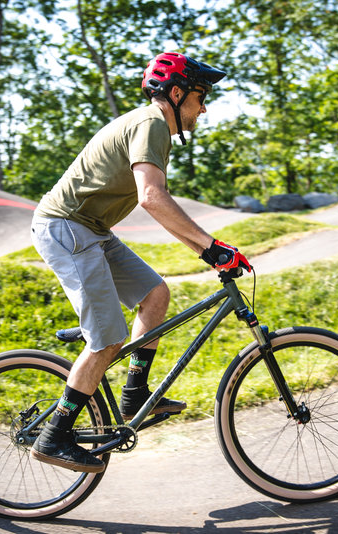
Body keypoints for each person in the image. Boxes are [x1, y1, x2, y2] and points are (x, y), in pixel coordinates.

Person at [29, 52, 251, 473]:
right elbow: (151, 197)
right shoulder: (151, 123)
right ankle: (53, 436)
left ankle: (134, 396)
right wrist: (212, 245)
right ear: (177, 92)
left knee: (155, 294)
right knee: (108, 339)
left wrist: (208, 252)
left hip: (90, 229)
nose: (204, 107)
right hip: (66, 228)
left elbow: (158, 204)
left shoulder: (153, 129)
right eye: (200, 96)